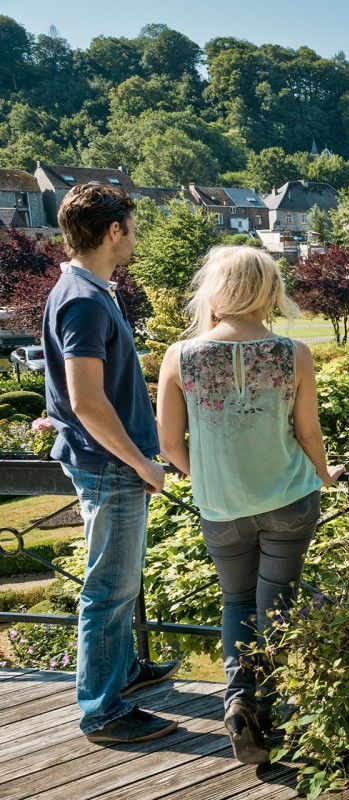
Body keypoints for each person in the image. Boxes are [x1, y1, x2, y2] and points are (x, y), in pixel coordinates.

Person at [157, 246, 344, 764]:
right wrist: (327, 475)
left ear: (217, 288)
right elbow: (308, 433)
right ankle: (280, 704)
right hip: (289, 498)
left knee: (237, 601)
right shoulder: (292, 353)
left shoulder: (182, 355)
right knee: (276, 598)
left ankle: (240, 700)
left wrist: (208, 478)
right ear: (268, 290)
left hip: (221, 508)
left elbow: (170, 443)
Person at [41, 182, 180, 744]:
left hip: (106, 460)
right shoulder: (84, 298)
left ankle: (122, 671)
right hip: (111, 464)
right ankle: (101, 711)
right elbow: (87, 400)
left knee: (120, 581)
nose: (136, 238)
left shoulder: (85, 288)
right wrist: (142, 464)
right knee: (108, 587)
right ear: (113, 231)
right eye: (132, 228)